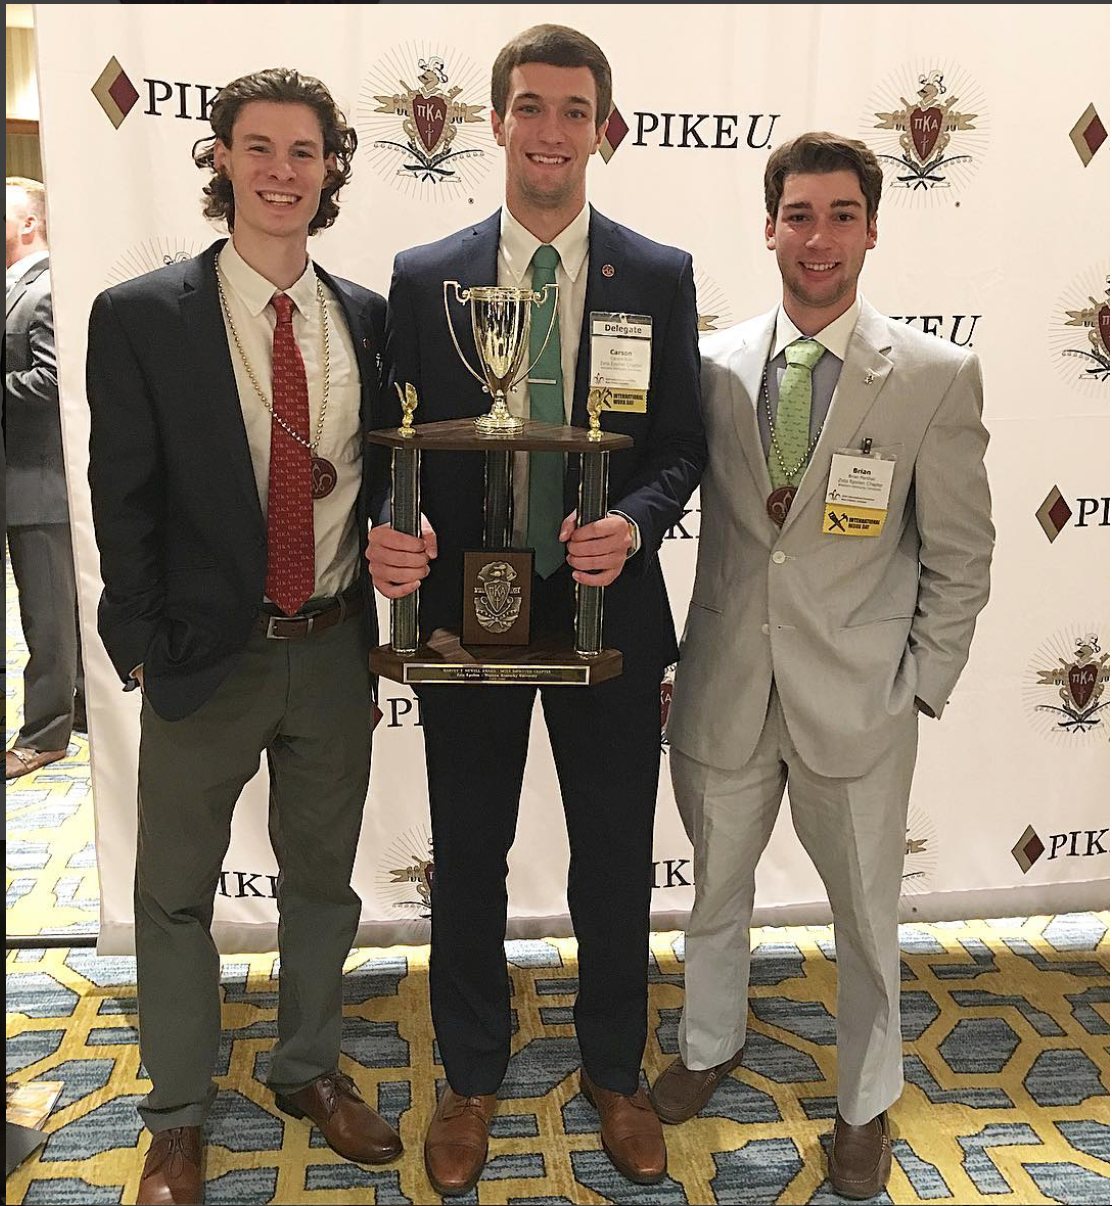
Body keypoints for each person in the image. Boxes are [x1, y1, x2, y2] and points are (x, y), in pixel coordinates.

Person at [367, 24, 705, 1196]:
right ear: (495, 121)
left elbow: (676, 448)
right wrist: (392, 534)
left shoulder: (655, 274)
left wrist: (640, 522)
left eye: (573, 110)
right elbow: (392, 446)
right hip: (472, 613)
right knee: (469, 851)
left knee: (613, 852)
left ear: (600, 128)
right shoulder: (426, 276)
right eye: (529, 107)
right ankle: (469, 1077)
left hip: (608, 612)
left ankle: (613, 1070)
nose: (550, 131)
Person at [651, 131, 993, 1199]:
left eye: (840, 215)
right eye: (797, 215)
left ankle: (862, 1103)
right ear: (767, 227)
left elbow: (961, 551)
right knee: (714, 893)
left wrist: (918, 686)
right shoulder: (709, 368)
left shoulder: (931, 377)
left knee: (862, 918)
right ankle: (706, 1045)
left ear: (871, 229)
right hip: (722, 690)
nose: (818, 238)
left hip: (858, 702)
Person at [86, 68, 399, 1206]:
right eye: (256, 148)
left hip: (328, 649)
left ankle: (305, 1067)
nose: (279, 171)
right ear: (218, 159)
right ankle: (175, 1116)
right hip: (199, 658)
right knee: (173, 894)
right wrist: (141, 639)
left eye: (303, 152)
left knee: (321, 883)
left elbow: (381, 485)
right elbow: (118, 496)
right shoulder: (140, 314)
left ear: (330, 170)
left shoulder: (367, 316)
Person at [5, 175, 86, 780]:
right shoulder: (15, 289)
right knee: (50, 612)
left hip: (41, 483)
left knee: (49, 616)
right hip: (18, 481)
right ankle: (78, 710)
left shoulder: (50, 288)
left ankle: (45, 734)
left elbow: (56, 382)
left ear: (29, 222)